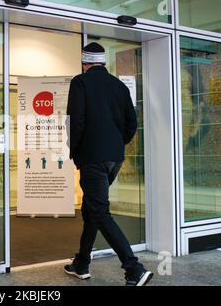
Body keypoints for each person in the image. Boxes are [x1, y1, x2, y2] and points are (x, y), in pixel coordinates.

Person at [64, 42, 153, 286]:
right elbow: (132, 124)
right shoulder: (119, 86)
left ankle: (133, 268)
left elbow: (74, 121)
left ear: (84, 63)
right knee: (92, 208)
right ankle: (81, 263)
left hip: (92, 158)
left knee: (99, 211)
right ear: (103, 62)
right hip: (114, 158)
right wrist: (115, 145)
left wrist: (76, 153)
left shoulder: (80, 82)